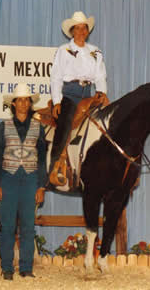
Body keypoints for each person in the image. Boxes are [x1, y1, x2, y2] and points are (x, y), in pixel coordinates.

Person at [0, 83, 47, 280]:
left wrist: (41, 185)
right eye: (20, 100)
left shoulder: (39, 127)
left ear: (30, 104)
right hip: (8, 177)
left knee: (28, 225)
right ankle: (7, 268)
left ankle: (26, 267)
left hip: (31, 178)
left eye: (26, 100)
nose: (23, 103)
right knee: (7, 225)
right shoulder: (3, 127)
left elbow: (42, 159)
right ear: (13, 104)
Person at [49, 11, 108, 185]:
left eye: (84, 28)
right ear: (72, 31)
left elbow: (100, 76)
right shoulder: (64, 50)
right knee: (65, 122)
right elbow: (56, 77)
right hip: (69, 93)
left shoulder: (95, 51)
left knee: (104, 124)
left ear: (87, 31)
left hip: (88, 94)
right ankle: (54, 164)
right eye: (78, 28)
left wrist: (102, 93)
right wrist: (57, 101)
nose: (82, 31)